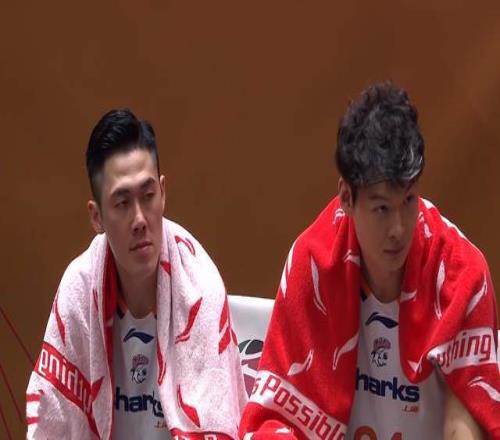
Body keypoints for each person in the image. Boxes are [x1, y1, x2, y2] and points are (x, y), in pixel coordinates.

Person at [239, 82, 499, 439]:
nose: (398, 229)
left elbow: (464, 426)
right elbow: (279, 420)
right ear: (347, 198)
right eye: (381, 208)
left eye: (408, 201)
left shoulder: (461, 272)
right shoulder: (311, 264)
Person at [26, 109, 247, 439]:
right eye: (122, 203)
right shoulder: (79, 289)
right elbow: (51, 425)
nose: (140, 219)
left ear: (163, 192)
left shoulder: (200, 288)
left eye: (148, 196)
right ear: (97, 217)